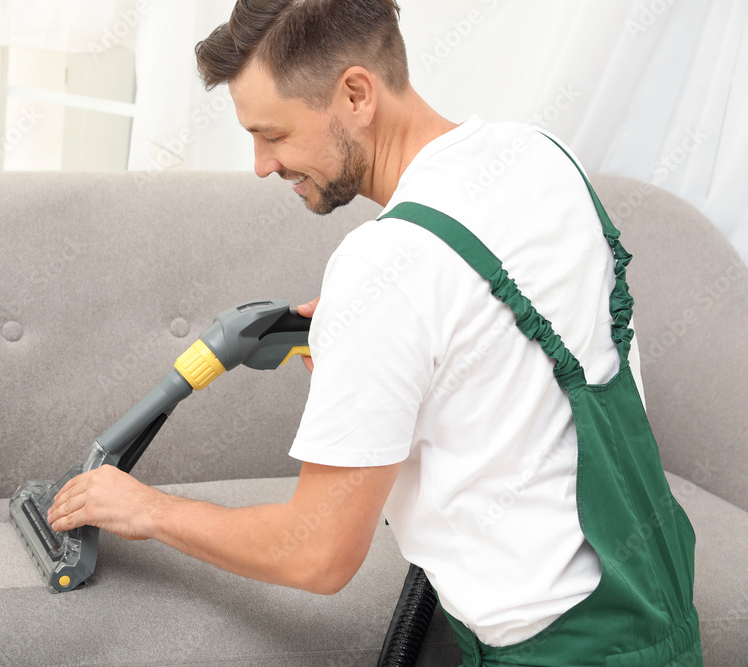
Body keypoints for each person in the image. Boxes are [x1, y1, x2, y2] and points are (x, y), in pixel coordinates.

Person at [47, 1, 702, 663]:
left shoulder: (387, 265)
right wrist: (386, 339)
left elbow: (318, 553)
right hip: (661, 614)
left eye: (271, 133)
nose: (260, 163)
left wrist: (149, 510)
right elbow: (520, 337)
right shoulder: (540, 158)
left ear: (356, 93)